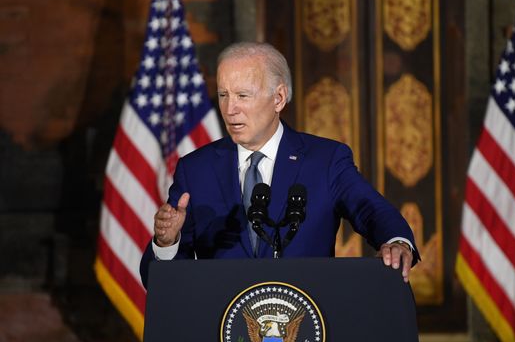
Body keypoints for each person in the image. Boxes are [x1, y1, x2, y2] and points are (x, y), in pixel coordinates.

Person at [139, 42, 418, 287]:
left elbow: (370, 210)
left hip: (308, 324)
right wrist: (166, 243)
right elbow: (159, 281)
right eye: (224, 95)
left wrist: (397, 242)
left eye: (242, 96)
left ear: (279, 98)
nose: (229, 109)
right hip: (225, 329)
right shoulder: (195, 170)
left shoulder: (325, 160)